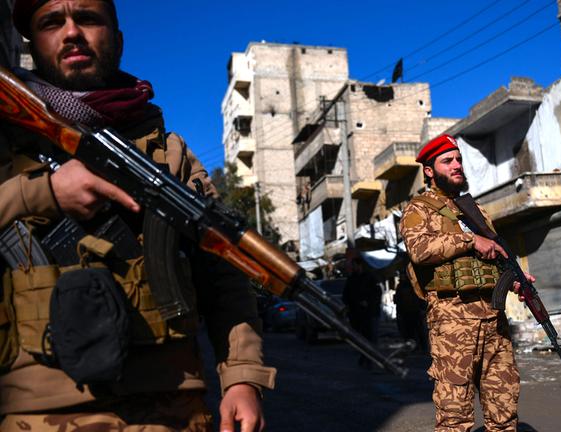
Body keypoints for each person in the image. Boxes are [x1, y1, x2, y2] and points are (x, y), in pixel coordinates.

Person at [0, 1, 275, 431]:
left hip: (173, 409)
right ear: (31, 43)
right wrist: (43, 193)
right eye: (52, 22)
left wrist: (242, 379)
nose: (72, 32)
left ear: (118, 38)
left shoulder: (171, 155)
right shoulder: (7, 143)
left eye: (88, 18)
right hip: (37, 414)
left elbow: (224, 277)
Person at [399, 133, 531, 431]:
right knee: (455, 416)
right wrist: (470, 240)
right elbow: (420, 251)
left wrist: (514, 279)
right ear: (430, 171)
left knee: (505, 410)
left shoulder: (476, 210)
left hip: (494, 322)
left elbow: (492, 257)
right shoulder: (418, 209)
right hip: (453, 323)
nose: (457, 165)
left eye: (458, 159)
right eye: (447, 161)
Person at [342, 250, 381, 368]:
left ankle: (371, 360)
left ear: (359, 265)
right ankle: (364, 358)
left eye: (354, 265)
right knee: (360, 339)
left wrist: (368, 303)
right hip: (356, 315)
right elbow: (346, 295)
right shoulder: (351, 279)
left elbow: (376, 294)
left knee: (370, 338)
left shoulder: (370, 278)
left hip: (369, 314)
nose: (352, 267)